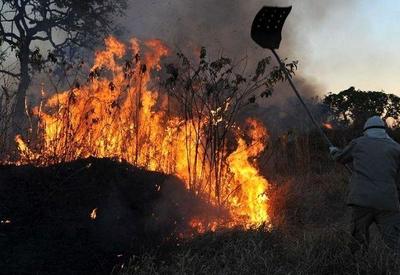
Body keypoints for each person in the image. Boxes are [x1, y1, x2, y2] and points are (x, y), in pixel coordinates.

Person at [330, 116, 400, 253]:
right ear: (384, 130)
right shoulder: (396, 148)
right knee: (394, 242)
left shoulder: (358, 143)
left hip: (362, 200)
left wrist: (333, 150)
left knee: (358, 240)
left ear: (366, 130)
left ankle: (359, 267)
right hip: (387, 201)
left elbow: (340, 158)